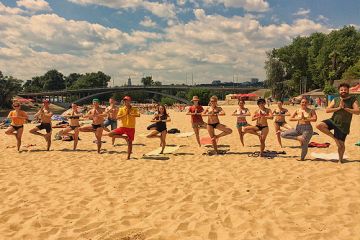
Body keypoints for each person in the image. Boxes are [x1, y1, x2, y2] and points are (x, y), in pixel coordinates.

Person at [316, 83, 359, 163]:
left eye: (345, 90)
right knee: (319, 125)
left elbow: (357, 111)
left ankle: (340, 160)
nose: (343, 91)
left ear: (348, 90)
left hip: (343, 125)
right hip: (333, 121)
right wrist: (338, 108)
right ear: (339, 91)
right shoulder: (335, 99)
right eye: (341, 90)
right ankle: (335, 138)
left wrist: (346, 108)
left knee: (341, 145)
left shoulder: (353, 99)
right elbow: (327, 110)